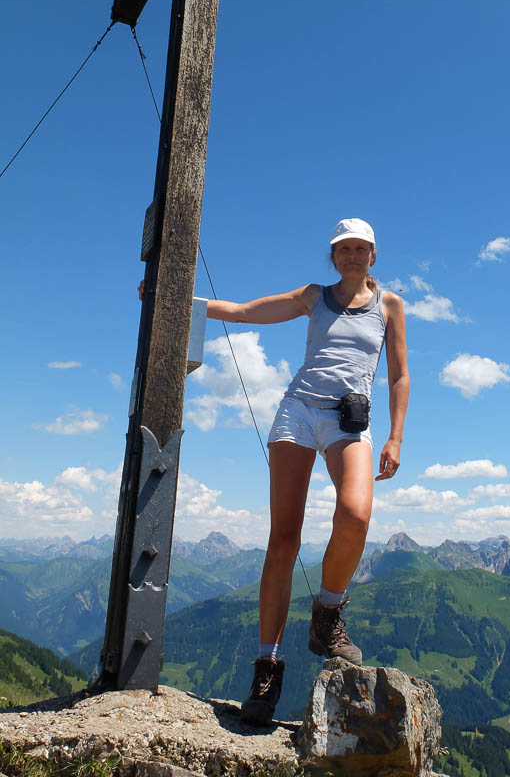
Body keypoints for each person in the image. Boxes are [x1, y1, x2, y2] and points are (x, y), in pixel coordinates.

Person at [204, 218, 409, 725]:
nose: (353, 256)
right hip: (298, 412)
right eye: (344, 248)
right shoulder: (313, 296)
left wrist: (395, 436)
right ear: (334, 255)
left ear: (373, 256)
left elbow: (400, 374)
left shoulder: (390, 305)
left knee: (356, 514)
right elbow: (248, 311)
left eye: (361, 248)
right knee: (283, 540)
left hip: (349, 420)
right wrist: (185, 302)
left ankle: (327, 614)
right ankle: (267, 669)